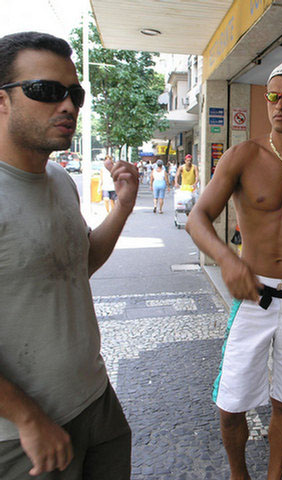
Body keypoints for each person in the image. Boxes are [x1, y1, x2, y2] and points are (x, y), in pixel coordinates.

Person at [186, 62, 282, 480]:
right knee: (230, 402)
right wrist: (227, 259)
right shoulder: (243, 156)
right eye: (273, 96)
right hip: (254, 295)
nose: (279, 105)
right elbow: (197, 218)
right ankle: (240, 476)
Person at [0, 31, 139, 479]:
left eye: (74, 94)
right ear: (2, 101)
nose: (67, 106)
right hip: (23, 436)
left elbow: (77, 266)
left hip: (95, 402)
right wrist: (26, 418)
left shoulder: (61, 180)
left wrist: (122, 207)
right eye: (45, 90)